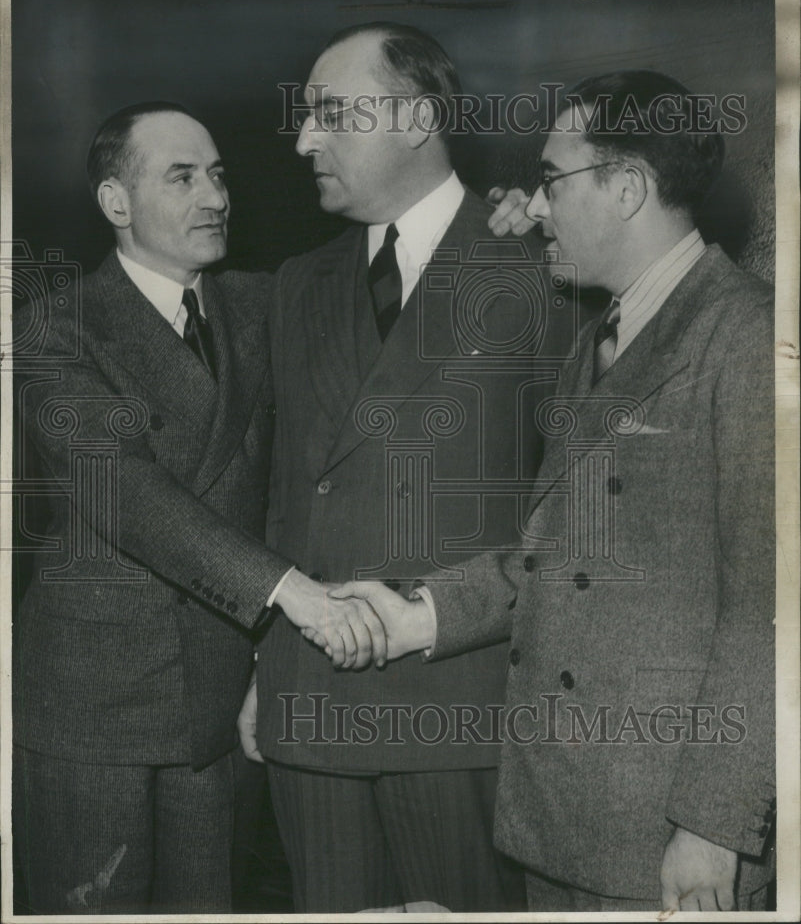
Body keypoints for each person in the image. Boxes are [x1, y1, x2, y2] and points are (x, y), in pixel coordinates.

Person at [331, 70, 776, 912]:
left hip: (669, 838)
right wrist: (414, 614)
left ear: (627, 188)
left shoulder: (747, 336)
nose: (533, 206)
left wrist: (714, 827)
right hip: (562, 814)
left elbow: (771, 610)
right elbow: (553, 553)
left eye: (551, 180)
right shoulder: (599, 336)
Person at [12, 102, 388, 914]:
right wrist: (288, 591)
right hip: (92, 706)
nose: (214, 197)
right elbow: (126, 491)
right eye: (181, 177)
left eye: (217, 175)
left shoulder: (260, 304)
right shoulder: (53, 328)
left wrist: (506, 226)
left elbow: (387, 273)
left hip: (218, 702)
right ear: (116, 203)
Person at [238, 22, 570, 912]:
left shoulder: (544, 263)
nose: (307, 139)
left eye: (332, 114)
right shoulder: (298, 282)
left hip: (462, 709)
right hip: (310, 703)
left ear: (419, 117)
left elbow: (576, 511)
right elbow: (280, 495)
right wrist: (259, 675)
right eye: (307, 117)